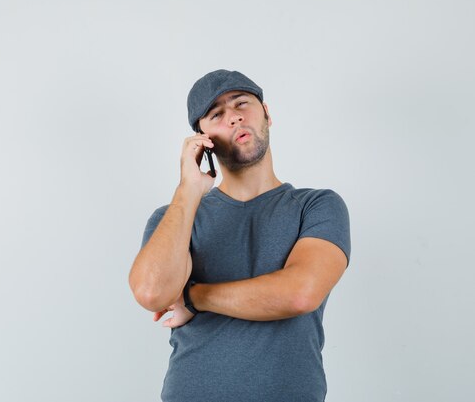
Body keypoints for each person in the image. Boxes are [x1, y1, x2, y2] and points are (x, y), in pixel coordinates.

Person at [128, 69, 351, 402]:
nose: (233, 117)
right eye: (216, 114)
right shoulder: (174, 218)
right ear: (201, 139)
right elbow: (151, 293)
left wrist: (193, 298)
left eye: (241, 103)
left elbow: (301, 293)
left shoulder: (317, 206)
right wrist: (188, 190)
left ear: (267, 114)